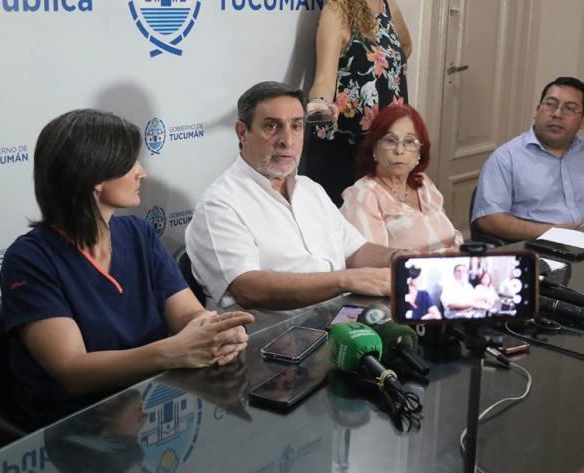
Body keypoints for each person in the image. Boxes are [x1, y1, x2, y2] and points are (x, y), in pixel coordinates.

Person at [0, 109, 254, 428]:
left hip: (144, 403)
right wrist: (172, 352)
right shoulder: (30, 259)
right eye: (130, 162)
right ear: (94, 177)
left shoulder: (138, 234)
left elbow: (187, 314)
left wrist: (215, 331)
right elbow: (72, 370)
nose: (142, 172)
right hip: (75, 427)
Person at [185, 81, 398, 311]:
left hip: (341, 321)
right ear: (243, 133)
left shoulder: (310, 189)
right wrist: (345, 280)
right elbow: (246, 287)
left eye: (296, 126)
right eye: (272, 126)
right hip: (271, 332)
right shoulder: (220, 204)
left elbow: (356, 251)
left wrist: (404, 259)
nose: (287, 140)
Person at [303, 0, 412, 205]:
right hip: (346, 152)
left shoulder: (388, 5)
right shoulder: (337, 10)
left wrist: (385, 69)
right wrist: (320, 105)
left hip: (387, 151)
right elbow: (323, 80)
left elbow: (405, 46)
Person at [472, 76, 584, 241]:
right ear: (537, 110)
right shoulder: (507, 157)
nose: (557, 114)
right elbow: (488, 220)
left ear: (582, 121)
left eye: (570, 108)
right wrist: (553, 233)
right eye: (550, 104)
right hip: (540, 246)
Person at [340, 104, 463, 251]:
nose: (399, 150)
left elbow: (450, 234)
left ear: (419, 152)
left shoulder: (423, 183)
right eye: (390, 141)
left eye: (409, 141)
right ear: (374, 149)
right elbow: (373, 260)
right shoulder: (362, 195)